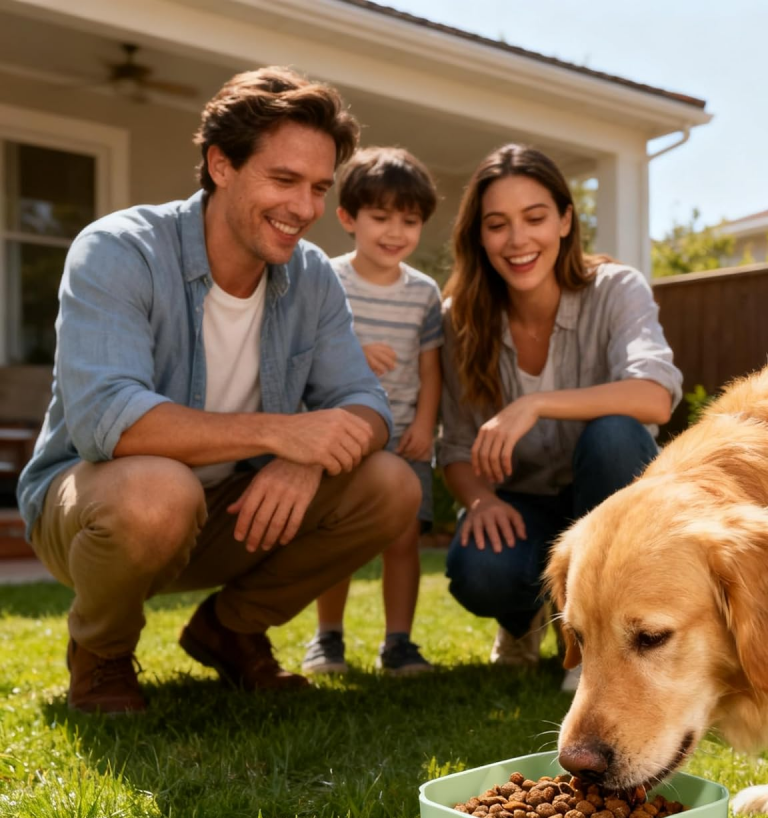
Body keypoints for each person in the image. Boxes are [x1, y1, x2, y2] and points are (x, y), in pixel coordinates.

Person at [16, 67, 421, 715]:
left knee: (393, 484)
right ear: (221, 165)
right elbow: (108, 422)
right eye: (284, 180)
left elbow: (365, 405)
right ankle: (102, 652)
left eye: (318, 187)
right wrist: (280, 432)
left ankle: (229, 632)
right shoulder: (120, 251)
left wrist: (302, 459)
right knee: (158, 490)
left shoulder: (312, 277)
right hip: (101, 509)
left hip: (233, 512)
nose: (305, 208)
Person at [438, 144, 683, 691]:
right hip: (521, 503)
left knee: (615, 435)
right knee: (480, 570)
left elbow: (654, 397)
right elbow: (454, 447)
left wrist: (536, 402)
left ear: (566, 220)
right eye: (497, 224)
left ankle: (600, 640)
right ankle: (521, 620)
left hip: (606, 498)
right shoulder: (458, 321)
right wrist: (480, 500)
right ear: (479, 236)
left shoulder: (616, 289)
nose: (518, 240)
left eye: (535, 217)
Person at [301, 147, 442, 677]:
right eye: (380, 217)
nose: (394, 231)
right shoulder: (326, 279)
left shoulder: (424, 293)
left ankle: (398, 643)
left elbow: (432, 368)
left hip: (405, 436)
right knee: (338, 538)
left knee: (403, 541)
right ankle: (327, 639)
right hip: (342, 435)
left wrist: (427, 424)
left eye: (409, 221)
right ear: (347, 218)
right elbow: (308, 353)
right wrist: (353, 354)